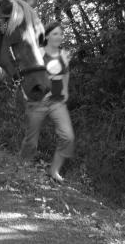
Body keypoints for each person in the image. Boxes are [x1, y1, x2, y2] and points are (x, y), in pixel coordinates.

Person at [19, 22, 75, 183]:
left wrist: (65, 91)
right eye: (55, 33)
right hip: (37, 102)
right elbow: (26, 76)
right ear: (48, 36)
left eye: (61, 34)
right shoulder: (38, 53)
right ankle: (22, 169)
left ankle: (54, 170)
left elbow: (65, 74)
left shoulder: (64, 54)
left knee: (68, 137)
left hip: (57, 102)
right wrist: (27, 95)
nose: (59, 37)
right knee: (31, 141)